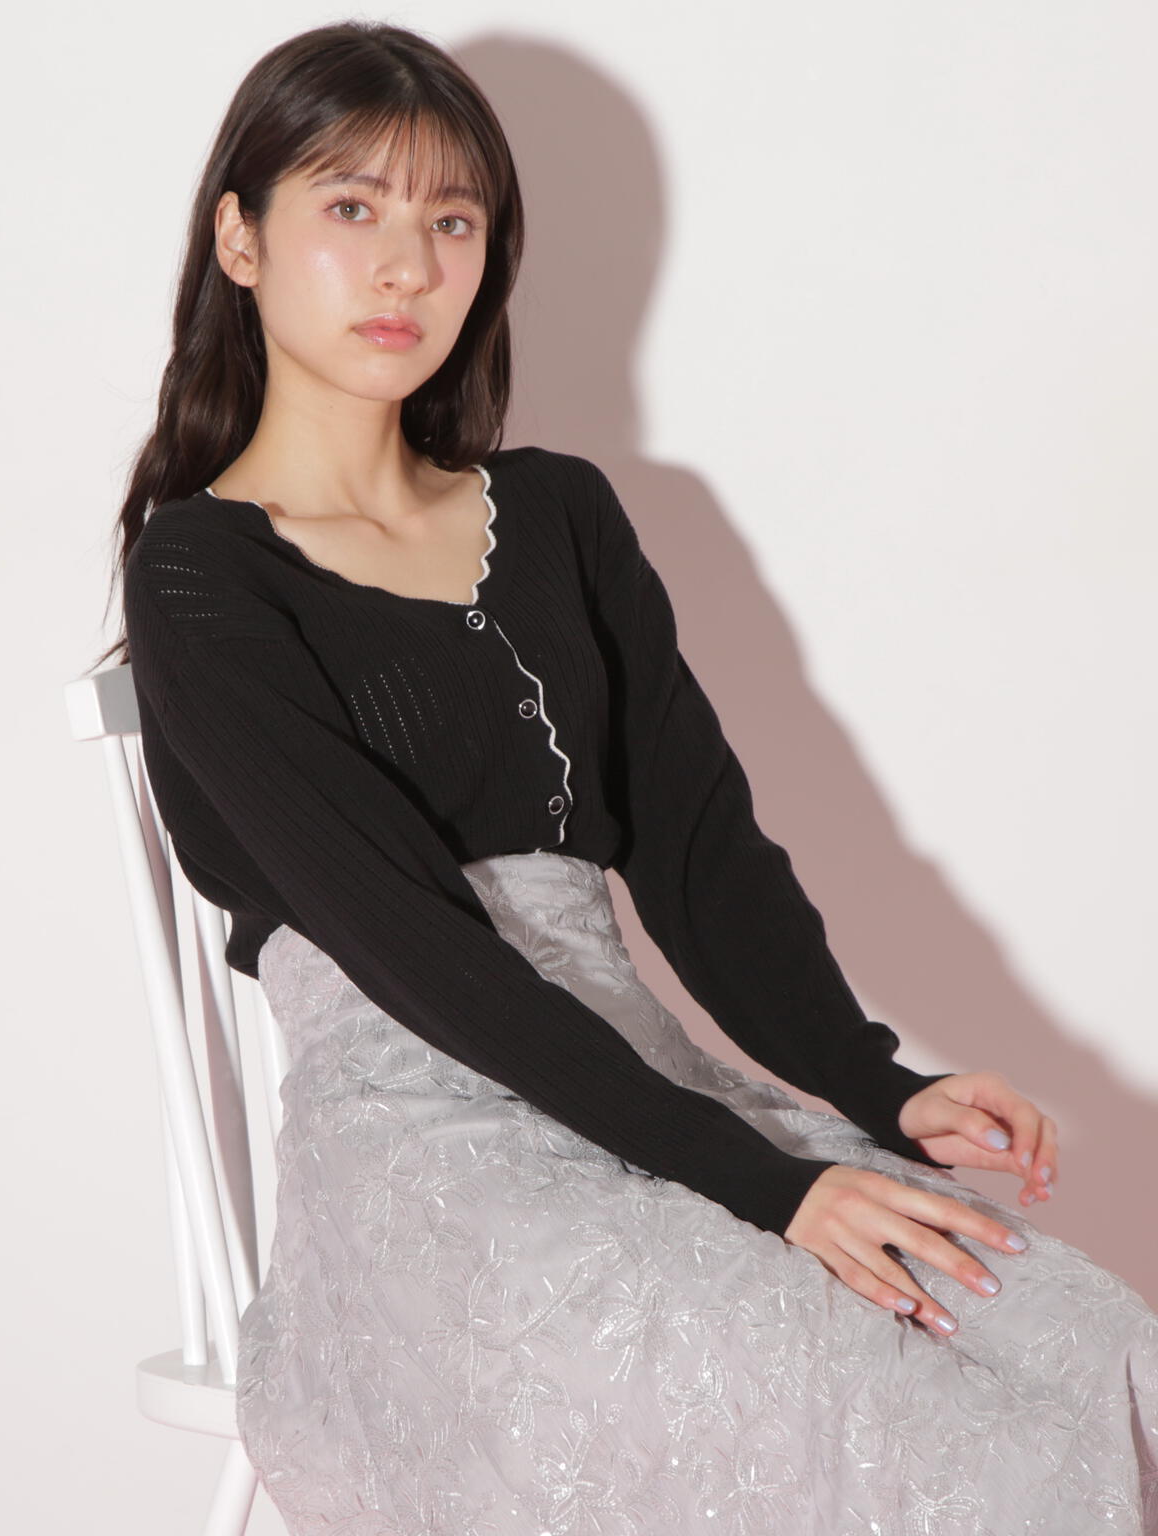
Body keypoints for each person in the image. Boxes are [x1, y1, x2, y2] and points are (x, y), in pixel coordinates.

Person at [92, 20, 1158, 1535]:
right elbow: (414, 953)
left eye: (450, 221)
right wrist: (768, 1187)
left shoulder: (558, 515)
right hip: (425, 1133)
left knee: (1097, 1340)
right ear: (240, 239)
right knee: (825, 1373)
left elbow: (700, 852)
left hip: (642, 1079)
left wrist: (876, 1087)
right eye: (352, 206)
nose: (405, 266)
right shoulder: (203, 571)